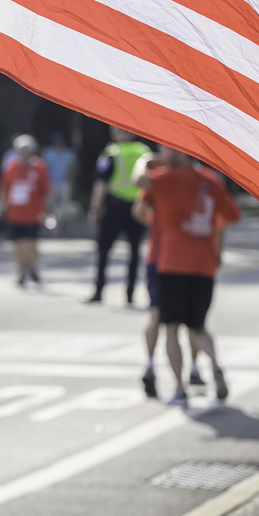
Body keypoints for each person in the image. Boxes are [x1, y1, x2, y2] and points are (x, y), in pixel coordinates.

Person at [139, 149, 240, 406]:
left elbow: (139, 186)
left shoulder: (168, 179)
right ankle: (215, 364)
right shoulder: (210, 181)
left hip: (172, 262)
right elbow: (230, 216)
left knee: (171, 327)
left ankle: (180, 389)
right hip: (204, 264)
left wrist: (145, 163)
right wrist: (216, 245)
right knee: (198, 326)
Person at [88, 128, 152, 305]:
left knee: (103, 250)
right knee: (134, 251)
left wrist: (95, 209)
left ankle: (99, 291)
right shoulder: (144, 151)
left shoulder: (112, 152)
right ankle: (130, 294)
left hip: (115, 206)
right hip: (138, 206)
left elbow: (101, 182)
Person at [130, 150, 168, 398]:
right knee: (191, 324)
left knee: (157, 315)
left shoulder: (161, 180)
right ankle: (194, 370)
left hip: (160, 258)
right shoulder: (196, 178)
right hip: (182, 259)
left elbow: (138, 205)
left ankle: (151, 364)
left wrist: (144, 161)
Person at [0, 134, 50, 287]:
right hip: (15, 212)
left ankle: (33, 268)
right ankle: (20, 271)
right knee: (18, 244)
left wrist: (47, 211)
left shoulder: (39, 167)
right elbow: (3, 188)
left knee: (30, 243)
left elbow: (45, 192)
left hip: (33, 213)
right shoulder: (11, 166)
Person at [42, 132, 77, 232]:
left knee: (64, 205)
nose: (58, 144)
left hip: (64, 183)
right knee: (51, 205)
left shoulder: (68, 153)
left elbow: (74, 166)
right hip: (51, 183)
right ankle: (52, 226)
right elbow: (44, 168)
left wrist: (69, 178)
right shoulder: (48, 152)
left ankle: (62, 224)